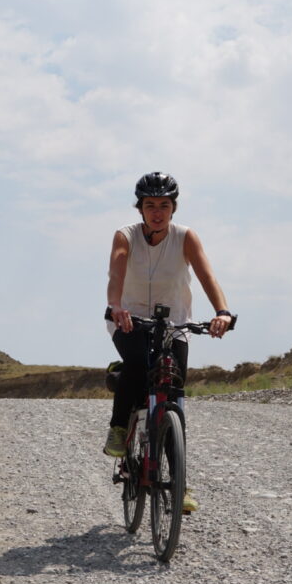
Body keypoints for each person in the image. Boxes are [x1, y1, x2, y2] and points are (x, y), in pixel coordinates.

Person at [104, 172, 234, 511]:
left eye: (164, 205)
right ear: (140, 209)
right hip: (129, 319)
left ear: (173, 208)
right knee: (136, 364)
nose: (157, 212)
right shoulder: (126, 236)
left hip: (175, 322)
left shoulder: (185, 237)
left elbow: (207, 275)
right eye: (150, 206)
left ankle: (180, 485)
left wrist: (222, 311)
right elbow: (116, 274)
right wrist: (117, 307)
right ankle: (120, 427)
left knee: (174, 396)